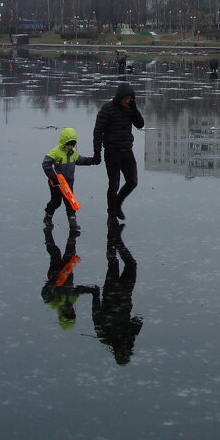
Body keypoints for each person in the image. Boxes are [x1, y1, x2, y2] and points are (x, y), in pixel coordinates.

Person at [89, 221, 142, 365]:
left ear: (117, 353)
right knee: (131, 264)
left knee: (113, 262)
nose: (125, 350)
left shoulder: (105, 337)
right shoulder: (129, 339)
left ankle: (113, 239)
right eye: (127, 353)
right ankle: (117, 240)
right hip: (125, 294)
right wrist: (133, 331)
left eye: (122, 353)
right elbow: (138, 320)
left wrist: (95, 294)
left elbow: (96, 315)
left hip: (111, 294)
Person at [92, 82, 144, 221]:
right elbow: (98, 131)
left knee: (132, 182)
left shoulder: (130, 108)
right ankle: (112, 214)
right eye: (125, 99)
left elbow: (140, 124)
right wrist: (97, 152)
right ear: (119, 97)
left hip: (127, 151)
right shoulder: (107, 109)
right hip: (112, 152)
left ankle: (118, 203)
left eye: (129, 99)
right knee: (114, 184)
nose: (127, 101)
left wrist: (134, 108)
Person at [42, 224, 99, 330]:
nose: (69, 311)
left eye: (67, 314)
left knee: (55, 254)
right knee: (69, 253)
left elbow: (45, 293)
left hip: (55, 273)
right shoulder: (71, 300)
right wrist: (92, 291)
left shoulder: (53, 303)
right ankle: (72, 236)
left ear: (61, 315)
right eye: (72, 313)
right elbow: (77, 290)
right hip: (67, 271)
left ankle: (48, 233)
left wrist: (53, 282)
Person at [41, 127, 100, 228]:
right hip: (56, 183)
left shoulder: (73, 153)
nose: (69, 147)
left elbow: (81, 160)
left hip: (68, 183)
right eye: (68, 144)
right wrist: (53, 176)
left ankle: (72, 223)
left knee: (70, 202)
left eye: (72, 145)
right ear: (64, 142)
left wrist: (93, 160)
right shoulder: (56, 152)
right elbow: (46, 164)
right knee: (56, 202)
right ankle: (48, 216)